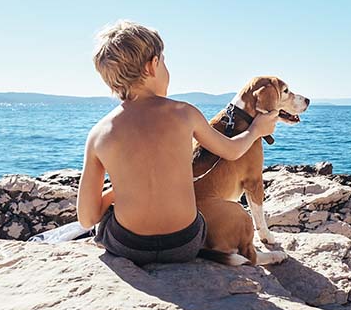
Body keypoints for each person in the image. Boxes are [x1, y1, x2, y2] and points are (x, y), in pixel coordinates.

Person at [76, 20, 278, 265]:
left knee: (107, 217)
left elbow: (87, 218)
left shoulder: (99, 133)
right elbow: (233, 151)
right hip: (185, 243)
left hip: (130, 247)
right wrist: (256, 130)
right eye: (164, 62)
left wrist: (118, 191)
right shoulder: (185, 113)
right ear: (153, 65)